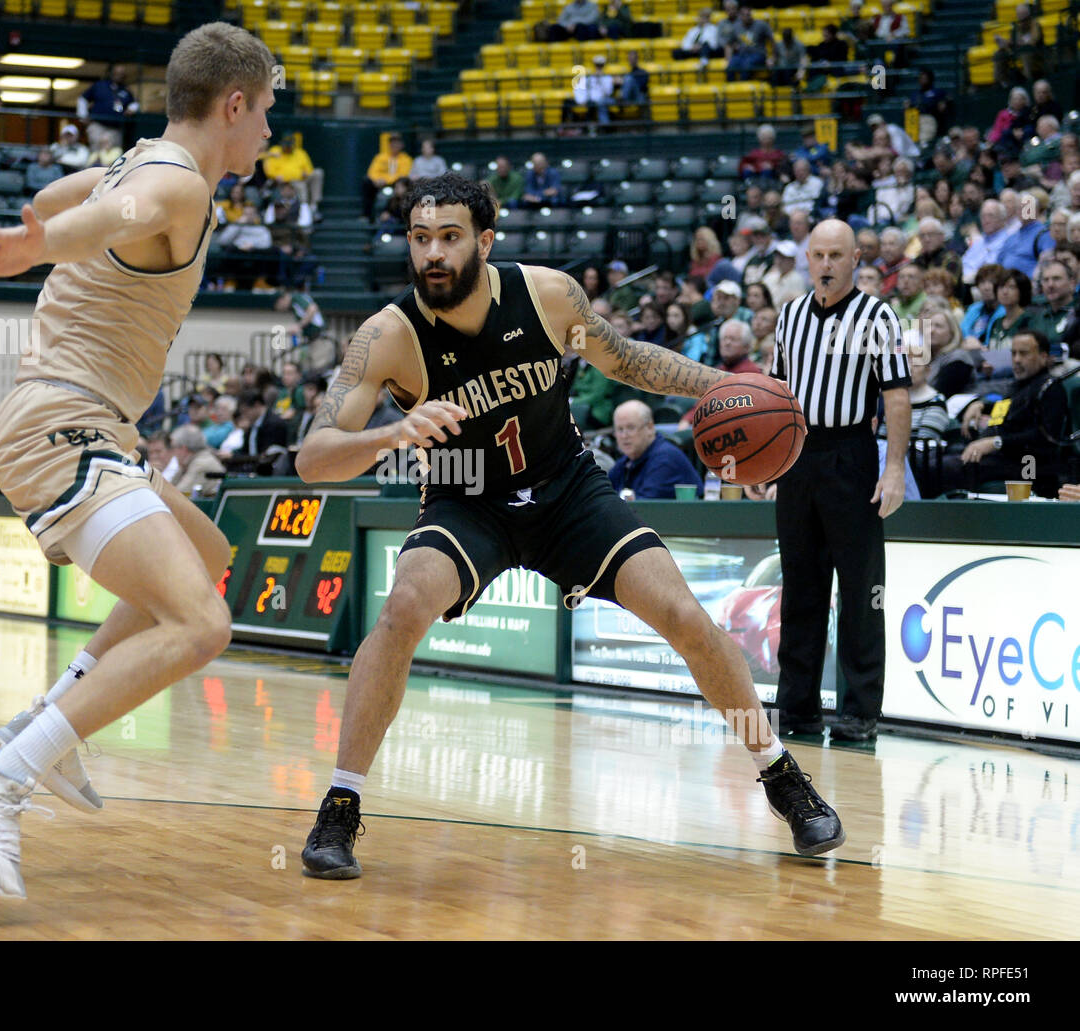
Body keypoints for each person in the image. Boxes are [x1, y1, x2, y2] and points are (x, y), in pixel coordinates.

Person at [294, 172, 844, 879]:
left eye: (450, 238)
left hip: (568, 490)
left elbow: (632, 360)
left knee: (684, 613)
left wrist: (726, 387)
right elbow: (313, 457)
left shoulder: (548, 295)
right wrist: (391, 433)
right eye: (419, 238)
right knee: (401, 607)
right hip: (468, 499)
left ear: (485, 242)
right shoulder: (388, 337)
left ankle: (780, 775)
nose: (432, 253)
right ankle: (342, 803)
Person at [0, 21, 273, 900]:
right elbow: (119, 215)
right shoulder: (175, 183)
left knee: (208, 556)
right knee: (202, 624)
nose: (270, 132)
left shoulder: (139, 161)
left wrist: (47, 232)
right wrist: (43, 246)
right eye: (266, 110)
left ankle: (50, 722)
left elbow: (71, 200)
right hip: (62, 424)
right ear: (232, 104)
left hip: (88, 425)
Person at [748, 219, 912, 743]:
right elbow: (776, 391)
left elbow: (896, 397)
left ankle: (860, 712)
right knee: (800, 586)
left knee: (862, 590)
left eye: (836, 255)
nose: (825, 264)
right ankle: (797, 710)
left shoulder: (877, 316)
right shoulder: (791, 315)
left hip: (851, 454)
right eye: (817, 254)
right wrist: (764, 461)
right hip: (797, 455)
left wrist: (893, 469)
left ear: (856, 259)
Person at [948, 329, 1067, 496]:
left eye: (1024, 353)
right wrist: (981, 405)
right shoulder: (1019, 385)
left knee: (948, 467)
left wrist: (996, 442)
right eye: (1014, 353)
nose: (1017, 360)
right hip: (1005, 456)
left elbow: (1044, 437)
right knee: (942, 457)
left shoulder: (1049, 388)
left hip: (1029, 464)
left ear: (1043, 356)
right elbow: (1007, 408)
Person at [607, 400, 702, 499]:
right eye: (620, 429)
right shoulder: (626, 462)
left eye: (631, 428)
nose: (624, 436)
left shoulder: (666, 459)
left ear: (649, 427)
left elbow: (643, 509)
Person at [78, 63, 140, 152]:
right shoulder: (100, 85)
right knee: (97, 154)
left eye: (121, 73)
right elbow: (83, 99)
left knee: (114, 156)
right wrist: (83, 116)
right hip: (98, 125)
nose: (119, 75)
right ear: (111, 73)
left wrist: (132, 108)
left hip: (116, 128)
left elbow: (135, 103)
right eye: (117, 73)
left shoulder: (125, 89)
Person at [263, 134, 324, 207]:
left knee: (318, 172)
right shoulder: (275, 151)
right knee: (301, 186)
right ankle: (304, 208)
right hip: (288, 181)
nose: (288, 147)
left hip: (302, 178)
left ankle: (314, 205)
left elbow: (309, 168)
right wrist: (275, 176)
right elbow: (268, 169)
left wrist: (306, 173)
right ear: (281, 143)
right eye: (286, 145)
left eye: (290, 145)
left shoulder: (299, 152)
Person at [363, 133, 413, 220]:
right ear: (389, 145)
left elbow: (404, 174)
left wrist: (386, 180)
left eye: (397, 143)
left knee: (405, 186)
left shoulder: (406, 159)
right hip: (379, 184)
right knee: (367, 182)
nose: (394, 145)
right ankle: (368, 216)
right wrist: (377, 180)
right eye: (392, 143)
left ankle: (400, 218)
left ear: (401, 145)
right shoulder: (380, 157)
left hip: (396, 184)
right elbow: (372, 172)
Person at [170, 423, 226, 493]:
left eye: (173, 448)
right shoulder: (190, 461)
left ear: (183, 449)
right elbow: (170, 488)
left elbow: (179, 494)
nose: (172, 452)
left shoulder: (202, 463)